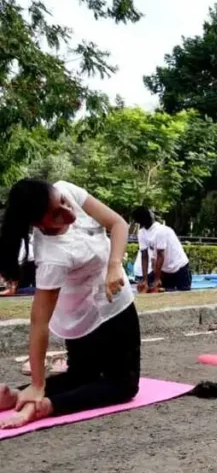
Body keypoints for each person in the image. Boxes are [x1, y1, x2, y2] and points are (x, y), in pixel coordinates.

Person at [0, 179, 139, 429]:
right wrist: (38, 384)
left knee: (81, 377)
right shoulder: (52, 256)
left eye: (63, 202)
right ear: (37, 224)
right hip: (90, 318)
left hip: (113, 299)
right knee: (123, 385)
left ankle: (16, 397)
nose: (68, 212)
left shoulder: (65, 189)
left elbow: (118, 223)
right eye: (56, 215)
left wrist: (115, 264)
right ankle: (45, 405)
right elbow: (39, 322)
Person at [131, 207, 191, 292]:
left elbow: (160, 255)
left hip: (179, 268)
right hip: (164, 270)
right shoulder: (142, 233)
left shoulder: (161, 230)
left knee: (182, 292)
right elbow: (144, 256)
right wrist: (145, 280)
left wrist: (157, 279)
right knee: (150, 289)